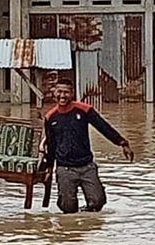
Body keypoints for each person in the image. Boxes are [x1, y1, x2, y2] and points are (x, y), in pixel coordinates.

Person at [41, 78, 134, 214]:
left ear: (72, 93)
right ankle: (67, 205)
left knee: (97, 203)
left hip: (86, 166)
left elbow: (103, 127)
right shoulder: (51, 117)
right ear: (54, 93)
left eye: (66, 92)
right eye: (59, 92)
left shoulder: (84, 110)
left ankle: (87, 219)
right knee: (69, 210)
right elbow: (51, 144)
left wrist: (122, 143)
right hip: (64, 168)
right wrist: (49, 168)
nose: (62, 96)